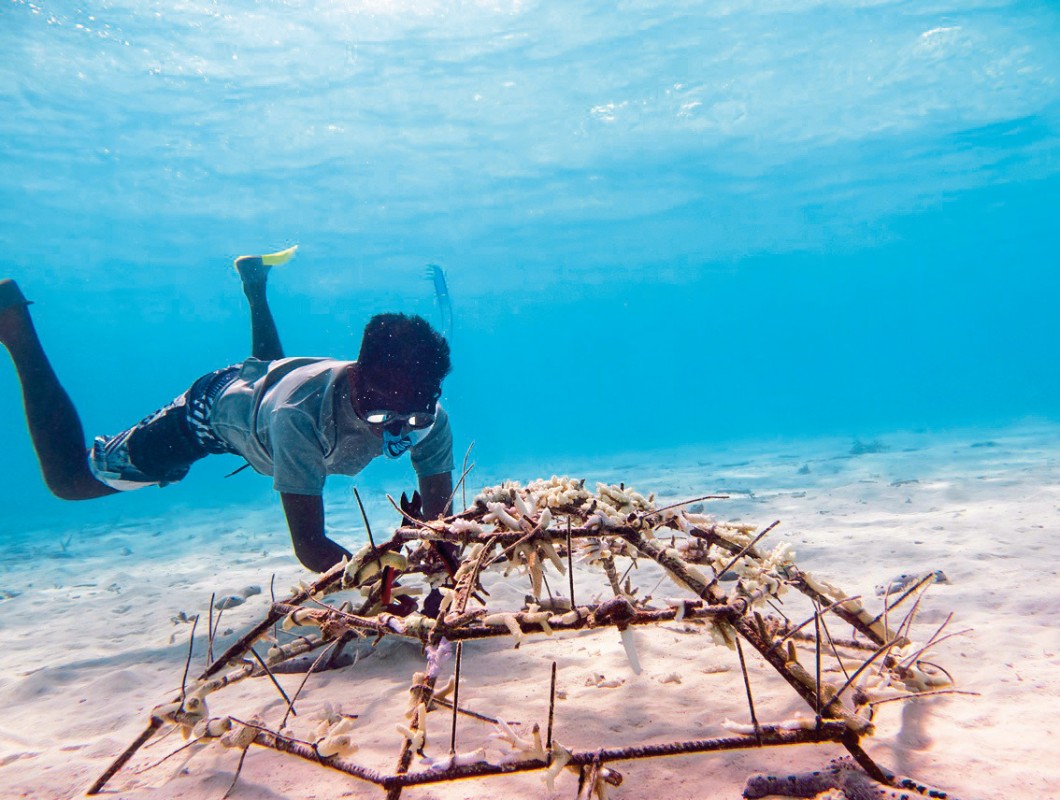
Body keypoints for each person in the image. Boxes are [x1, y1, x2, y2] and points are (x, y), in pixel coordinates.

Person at [0, 248, 454, 572]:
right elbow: (311, 546)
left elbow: (441, 522)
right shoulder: (298, 418)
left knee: (267, 378)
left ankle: (254, 283)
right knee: (71, 481)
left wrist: (436, 553)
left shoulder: (427, 414)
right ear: (356, 375)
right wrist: (384, 585)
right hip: (213, 411)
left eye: (412, 420)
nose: (392, 432)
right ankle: (14, 324)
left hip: (271, 385)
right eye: (379, 418)